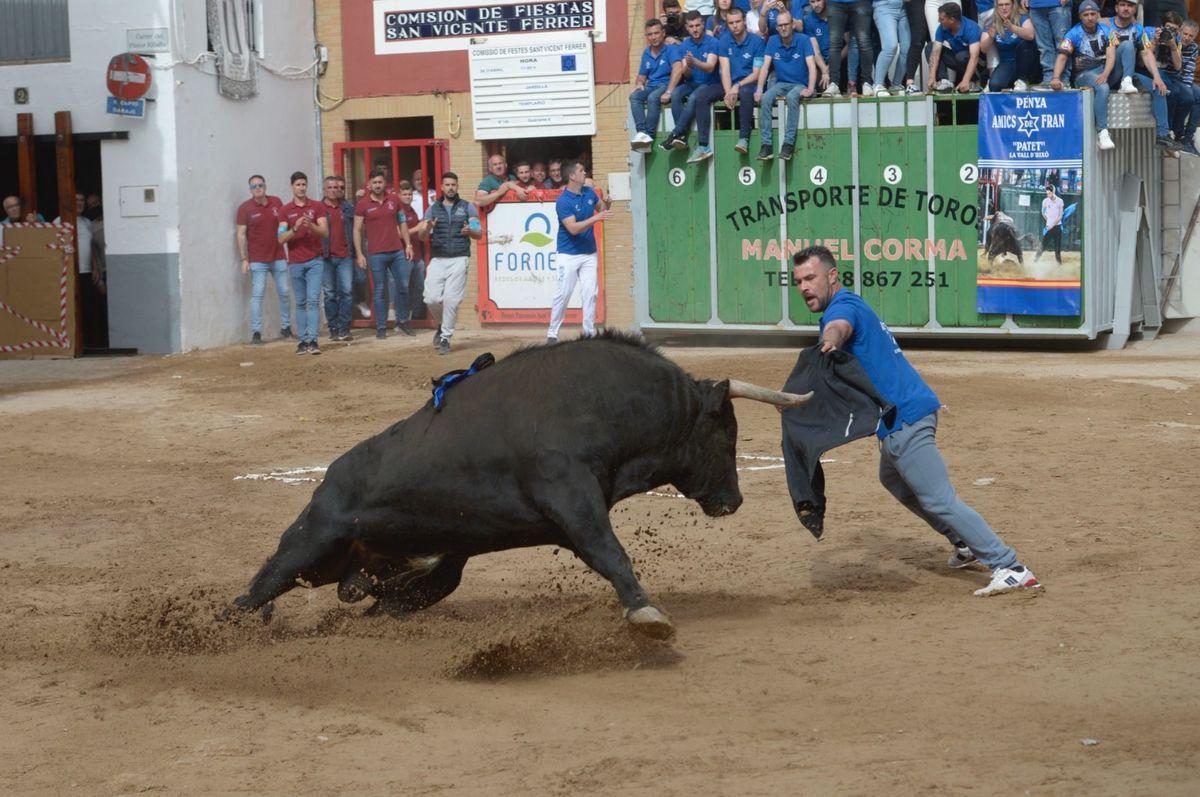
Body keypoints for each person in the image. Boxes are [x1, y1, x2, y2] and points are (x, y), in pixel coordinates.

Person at [791, 245, 1041, 597]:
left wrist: (829, 342)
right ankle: (963, 542)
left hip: (906, 420)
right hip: (904, 415)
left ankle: (1010, 566)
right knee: (892, 477)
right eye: (798, 280)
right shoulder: (852, 303)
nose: (803, 286)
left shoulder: (842, 309)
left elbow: (838, 328)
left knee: (939, 499)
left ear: (832, 276)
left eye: (810, 278)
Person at [547, 162, 612, 344]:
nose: (585, 173)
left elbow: (603, 211)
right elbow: (573, 228)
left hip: (589, 252)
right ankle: (552, 333)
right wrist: (596, 218)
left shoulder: (589, 192)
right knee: (564, 293)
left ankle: (589, 333)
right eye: (581, 171)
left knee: (590, 293)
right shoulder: (563, 201)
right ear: (572, 176)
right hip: (568, 254)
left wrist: (607, 203)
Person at [421, 172, 482, 355]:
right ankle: (442, 325)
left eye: (453, 185)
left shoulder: (467, 207)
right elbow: (421, 236)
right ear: (442, 187)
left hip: (459, 258)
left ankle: (445, 338)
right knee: (430, 298)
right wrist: (428, 228)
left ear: (457, 186)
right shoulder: (432, 209)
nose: (450, 188)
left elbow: (479, 234)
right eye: (447, 185)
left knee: (451, 300)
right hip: (438, 258)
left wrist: (470, 230)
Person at [1105, 0, 1177, 149]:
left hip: (1131, 74)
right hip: (1108, 75)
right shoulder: (1104, 24)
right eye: (1123, 5)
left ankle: (1162, 136)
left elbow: (1146, 53)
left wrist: (1157, 77)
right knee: (1126, 45)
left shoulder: (1139, 29)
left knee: (1159, 87)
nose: (1126, 8)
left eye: (1130, 6)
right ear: (1116, 7)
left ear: (1135, 9)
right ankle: (1127, 80)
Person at [355, 170, 415, 340]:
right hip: (376, 254)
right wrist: (360, 253)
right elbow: (356, 229)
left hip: (396, 251)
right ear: (369, 184)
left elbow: (402, 222)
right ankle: (381, 326)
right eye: (374, 182)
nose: (377, 185)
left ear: (384, 183)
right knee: (380, 291)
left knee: (403, 286)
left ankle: (403, 322)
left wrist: (408, 244)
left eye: (380, 182)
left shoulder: (394, 200)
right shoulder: (363, 204)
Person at [1051, 0, 1118, 151]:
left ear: (1098, 14)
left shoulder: (1107, 29)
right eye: (1086, 15)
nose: (1090, 17)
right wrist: (1055, 78)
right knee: (1103, 87)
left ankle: (1128, 80)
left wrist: (1106, 73)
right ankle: (1102, 131)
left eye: (1093, 14)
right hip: (1085, 74)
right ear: (1080, 16)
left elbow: (1112, 55)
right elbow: (1062, 57)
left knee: (1126, 47)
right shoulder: (1073, 33)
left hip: (1106, 69)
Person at [661, 10, 724, 163]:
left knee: (696, 97)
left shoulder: (712, 42)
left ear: (703, 25)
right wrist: (688, 66)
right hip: (692, 83)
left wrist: (694, 61)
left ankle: (675, 133)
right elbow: (686, 74)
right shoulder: (685, 45)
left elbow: (710, 67)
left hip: (709, 83)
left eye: (697, 25)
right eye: (691, 26)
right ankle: (681, 136)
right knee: (675, 94)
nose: (695, 29)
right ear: (687, 28)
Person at [277, 172, 328, 355]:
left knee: (313, 301)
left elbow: (324, 232)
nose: (301, 187)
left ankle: (313, 340)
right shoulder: (285, 210)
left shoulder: (317, 206)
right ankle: (302, 340)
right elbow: (281, 238)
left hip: (315, 260)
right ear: (292, 186)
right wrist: (296, 227)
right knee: (300, 302)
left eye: (304, 184)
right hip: (296, 262)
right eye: (298, 184)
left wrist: (311, 226)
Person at [235, 176, 291, 345]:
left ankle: (286, 327)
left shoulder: (277, 202)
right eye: (254, 186)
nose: (257, 188)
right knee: (257, 295)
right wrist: (244, 258)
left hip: (278, 256)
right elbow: (241, 234)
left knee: (285, 293)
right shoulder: (245, 208)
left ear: (265, 186)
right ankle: (257, 332)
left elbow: (284, 225)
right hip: (258, 259)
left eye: (260, 185)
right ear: (250, 190)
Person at [756, 10, 817, 162]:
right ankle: (766, 145)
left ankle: (788, 144)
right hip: (781, 83)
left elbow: (812, 66)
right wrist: (758, 89)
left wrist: (810, 88)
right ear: (776, 27)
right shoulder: (772, 41)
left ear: (792, 25)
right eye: (780, 25)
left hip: (799, 83)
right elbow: (764, 67)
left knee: (791, 98)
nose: (783, 28)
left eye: (786, 24)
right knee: (765, 98)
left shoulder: (803, 40)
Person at [630, 19, 685, 151]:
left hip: (665, 85)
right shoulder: (646, 52)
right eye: (649, 34)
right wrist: (639, 83)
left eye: (656, 33)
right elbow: (642, 76)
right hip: (651, 86)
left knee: (653, 97)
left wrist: (669, 92)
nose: (653, 37)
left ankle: (649, 135)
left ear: (663, 33)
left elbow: (678, 70)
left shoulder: (671, 49)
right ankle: (641, 133)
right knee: (634, 96)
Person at [721, 6, 767, 154]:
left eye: (738, 21)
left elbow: (756, 74)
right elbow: (725, 70)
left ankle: (744, 138)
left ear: (744, 22)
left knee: (746, 93)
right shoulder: (724, 41)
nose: (735, 25)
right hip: (732, 85)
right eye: (731, 23)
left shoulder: (757, 42)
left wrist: (737, 86)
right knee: (705, 96)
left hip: (751, 84)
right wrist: (729, 92)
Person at [321, 175, 355, 342]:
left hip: (345, 256)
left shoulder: (347, 208)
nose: (334, 191)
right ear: (324, 189)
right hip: (325, 256)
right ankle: (333, 328)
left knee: (347, 292)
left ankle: (344, 328)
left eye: (336, 188)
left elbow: (356, 230)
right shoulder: (318, 208)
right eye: (330, 188)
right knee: (329, 294)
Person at [926, 2, 984, 93]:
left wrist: (965, 80)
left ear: (952, 20)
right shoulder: (942, 28)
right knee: (930, 47)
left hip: (975, 64)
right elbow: (935, 53)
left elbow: (974, 57)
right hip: (958, 59)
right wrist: (931, 76)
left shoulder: (971, 28)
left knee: (961, 56)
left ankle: (974, 81)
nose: (938, 21)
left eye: (942, 19)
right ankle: (943, 82)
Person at [982, 0, 1038, 91]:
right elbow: (983, 49)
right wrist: (990, 38)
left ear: (1013, 5)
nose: (1004, 8)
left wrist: (1012, 27)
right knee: (994, 85)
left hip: (1026, 60)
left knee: (1025, 43)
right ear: (996, 7)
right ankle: (1012, 83)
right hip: (1007, 62)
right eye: (1001, 5)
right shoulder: (992, 21)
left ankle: (1022, 80)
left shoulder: (1022, 17)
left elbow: (1031, 35)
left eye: (1007, 4)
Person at [825, 0, 874, 97]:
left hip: (860, 2)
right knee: (834, 43)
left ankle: (867, 83)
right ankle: (833, 83)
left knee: (864, 41)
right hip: (835, 2)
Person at [396, 180, 428, 324]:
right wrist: (418, 227)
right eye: (405, 194)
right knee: (404, 286)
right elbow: (398, 234)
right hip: (404, 254)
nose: (408, 197)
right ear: (399, 195)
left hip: (417, 254)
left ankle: (415, 315)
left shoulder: (412, 210)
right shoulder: (399, 211)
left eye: (409, 194)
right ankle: (402, 317)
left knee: (420, 285)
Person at [1168, 20, 1200, 155]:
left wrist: (1187, 88)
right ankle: (1178, 133)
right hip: (1170, 77)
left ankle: (1187, 138)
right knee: (1188, 95)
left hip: (1183, 80)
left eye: (1190, 36)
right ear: (1179, 32)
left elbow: (1189, 71)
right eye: (1185, 33)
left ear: (1194, 37)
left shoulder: (1194, 47)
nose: (1187, 37)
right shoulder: (1171, 42)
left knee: (1197, 93)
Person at [1027, 0, 1072, 89]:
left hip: (1058, 4)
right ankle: (1048, 79)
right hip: (1035, 5)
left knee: (1063, 44)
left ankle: (1063, 80)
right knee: (1043, 45)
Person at [871, 0, 912, 95]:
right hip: (884, 7)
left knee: (907, 49)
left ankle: (896, 85)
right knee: (890, 46)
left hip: (903, 9)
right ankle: (877, 85)